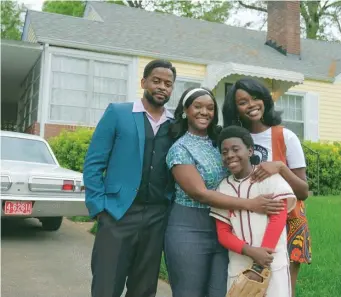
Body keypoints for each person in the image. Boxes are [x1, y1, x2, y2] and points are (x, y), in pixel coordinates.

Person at [165, 87, 285, 297]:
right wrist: (251, 204)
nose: (205, 112)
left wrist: (278, 166)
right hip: (189, 228)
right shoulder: (179, 148)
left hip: (226, 226)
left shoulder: (219, 141)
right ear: (185, 110)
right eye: (198, 107)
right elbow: (200, 193)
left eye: (210, 108)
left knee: (221, 291)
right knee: (189, 292)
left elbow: (243, 159)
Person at [83, 59, 177, 297]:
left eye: (168, 83)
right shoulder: (118, 112)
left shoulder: (175, 125)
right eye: (156, 81)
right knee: (106, 286)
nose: (162, 87)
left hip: (156, 217)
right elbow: (94, 163)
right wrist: (99, 208)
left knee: (144, 289)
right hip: (117, 213)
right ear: (144, 82)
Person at [222, 78, 312, 297]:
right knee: (247, 287)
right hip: (246, 223)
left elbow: (303, 191)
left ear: (265, 99)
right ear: (235, 108)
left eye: (255, 97)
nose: (251, 104)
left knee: (282, 288)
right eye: (243, 102)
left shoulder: (285, 136)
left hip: (287, 219)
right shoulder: (232, 140)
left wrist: (280, 167)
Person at [210, 125, 297, 297]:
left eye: (235, 149)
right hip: (239, 266)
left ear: (250, 150)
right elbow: (223, 233)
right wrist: (251, 252)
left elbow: (278, 219)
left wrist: (260, 263)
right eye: (224, 152)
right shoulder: (223, 188)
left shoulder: (270, 178)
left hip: (272, 263)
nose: (230, 155)